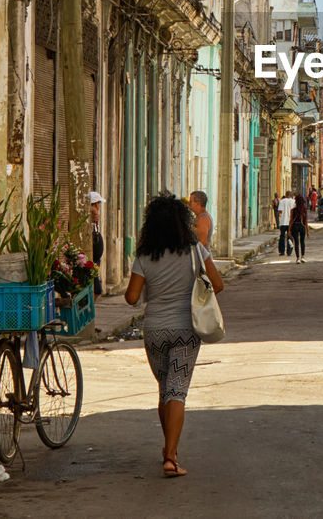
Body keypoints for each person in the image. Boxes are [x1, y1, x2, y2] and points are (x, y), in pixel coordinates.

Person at [125, 193, 224, 479]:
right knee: (177, 391)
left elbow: (132, 297)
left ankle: (169, 449)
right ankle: (171, 456)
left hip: (155, 331)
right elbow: (217, 284)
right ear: (183, 221)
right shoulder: (194, 249)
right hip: (186, 329)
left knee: (164, 389)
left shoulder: (145, 254)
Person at [90, 191, 105, 298]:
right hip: (93, 258)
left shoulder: (94, 224)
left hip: (96, 258)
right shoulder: (92, 214)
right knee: (97, 289)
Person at [290, 191, 308, 263]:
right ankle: (303, 256)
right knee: (302, 242)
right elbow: (305, 221)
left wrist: (289, 230)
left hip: (295, 226)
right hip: (302, 226)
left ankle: (297, 258)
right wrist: (308, 230)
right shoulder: (304, 210)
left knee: (296, 242)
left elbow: (291, 220)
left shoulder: (293, 210)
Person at [277, 192, 296, 257]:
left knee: (282, 236)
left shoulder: (282, 201)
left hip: (283, 222)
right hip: (290, 222)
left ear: (286, 195)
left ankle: (282, 251)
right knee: (290, 236)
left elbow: (280, 211)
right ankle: (289, 251)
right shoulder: (293, 201)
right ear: (291, 195)